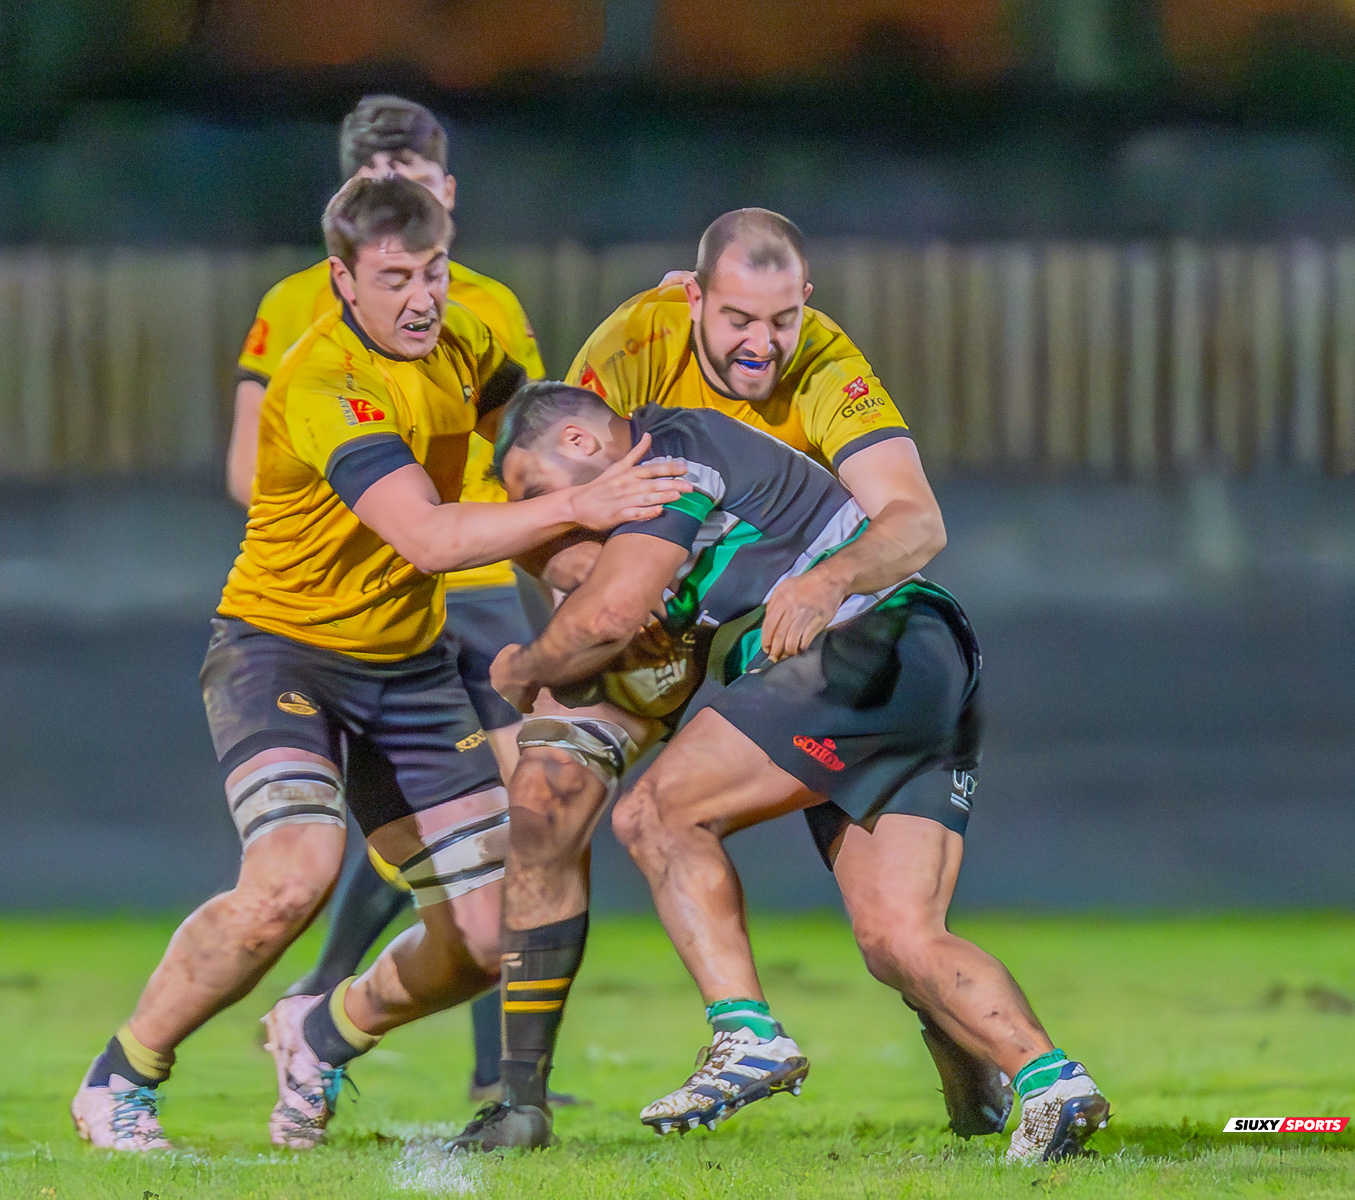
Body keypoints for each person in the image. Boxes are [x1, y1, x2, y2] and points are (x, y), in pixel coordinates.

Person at [450, 209, 1094, 1156]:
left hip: (860, 637)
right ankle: (1049, 1080)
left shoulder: (668, 444)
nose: (764, 342)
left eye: (781, 320)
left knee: (654, 815)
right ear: (692, 298)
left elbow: (611, 608)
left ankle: (743, 1037)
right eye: (739, 320)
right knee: (897, 938)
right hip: (923, 653)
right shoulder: (629, 348)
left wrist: (529, 667)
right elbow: (586, 570)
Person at [69, 176, 689, 1152]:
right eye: (394, 277)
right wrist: (588, 509)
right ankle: (123, 1076)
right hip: (283, 654)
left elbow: (550, 443)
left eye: (434, 272)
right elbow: (433, 540)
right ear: (342, 280)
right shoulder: (322, 380)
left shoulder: (467, 345)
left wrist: (666, 321)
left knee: (493, 935)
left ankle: (319, 1033)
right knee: (290, 878)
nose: (419, 297)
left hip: (405, 670)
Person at [227, 94, 555, 1104]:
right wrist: (382, 508)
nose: (405, 208)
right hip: (372, 596)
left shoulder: (488, 309)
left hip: (482, 585)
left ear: (448, 194)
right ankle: (331, 1002)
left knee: (523, 815)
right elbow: (251, 466)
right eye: (382, 192)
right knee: (420, 820)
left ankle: (507, 1082)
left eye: (420, 188)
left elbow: (541, 451)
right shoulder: (298, 310)